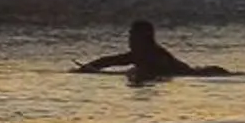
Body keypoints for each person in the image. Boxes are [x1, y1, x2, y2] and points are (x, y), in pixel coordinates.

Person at [74, 20, 226, 80]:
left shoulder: (155, 54)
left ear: (145, 37)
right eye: (130, 35)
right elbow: (109, 61)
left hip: (196, 74)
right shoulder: (137, 55)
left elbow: (167, 74)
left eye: (134, 35)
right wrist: (88, 68)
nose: (130, 39)